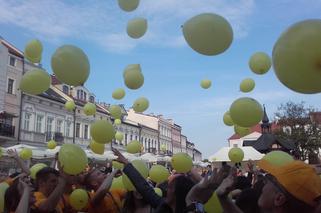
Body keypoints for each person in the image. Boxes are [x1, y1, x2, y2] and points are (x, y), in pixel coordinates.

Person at [112, 148, 195, 213]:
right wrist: (126, 163)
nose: (166, 189)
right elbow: (143, 187)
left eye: (169, 187)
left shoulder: (189, 210)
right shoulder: (162, 204)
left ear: (176, 192)